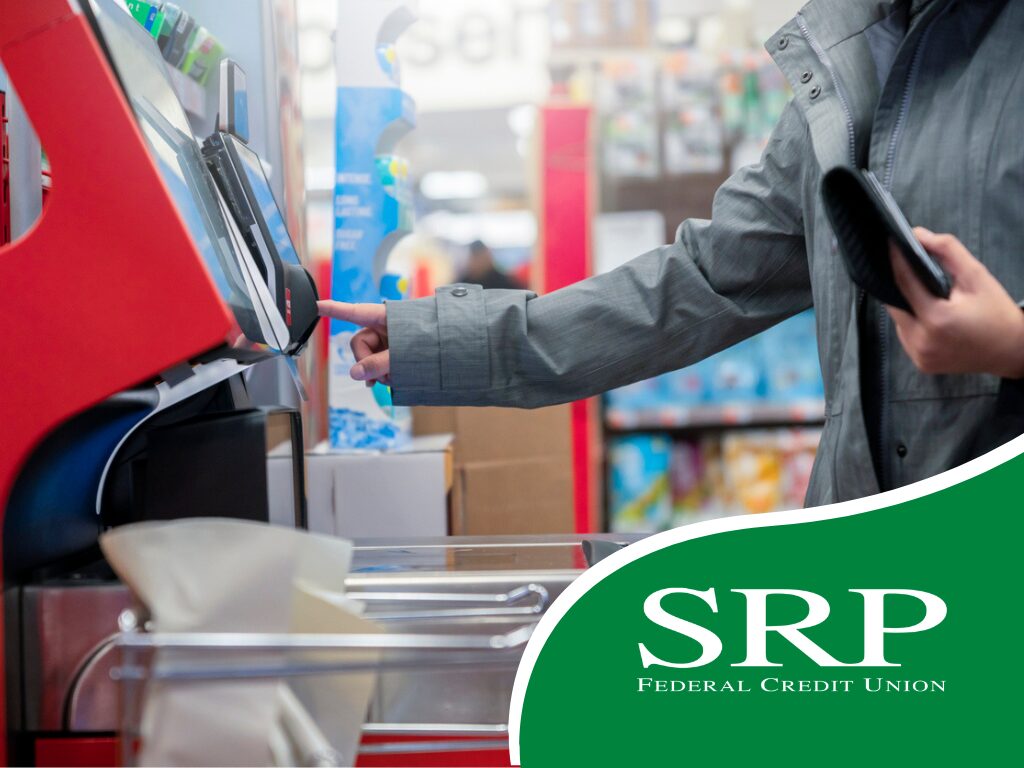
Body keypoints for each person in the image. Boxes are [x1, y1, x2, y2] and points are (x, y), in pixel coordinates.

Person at [320, 0, 1024, 507]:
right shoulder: (849, 63)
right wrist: (440, 339)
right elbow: (696, 282)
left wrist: (1013, 344)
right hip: (863, 573)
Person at [456, 240, 524, 290]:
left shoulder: (505, 283)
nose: (480, 263)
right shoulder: (462, 285)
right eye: (477, 258)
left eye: (482, 258)